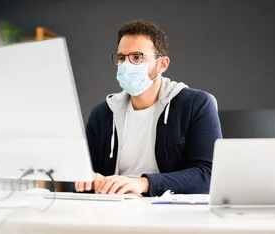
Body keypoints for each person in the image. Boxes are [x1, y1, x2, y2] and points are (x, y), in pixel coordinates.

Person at [74, 20, 222, 197]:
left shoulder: (195, 104)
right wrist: (88, 179)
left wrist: (144, 183)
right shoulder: (103, 114)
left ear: (162, 64)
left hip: (170, 212)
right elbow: (77, 177)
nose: (126, 65)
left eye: (137, 57)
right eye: (121, 58)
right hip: (113, 211)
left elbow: (208, 175)